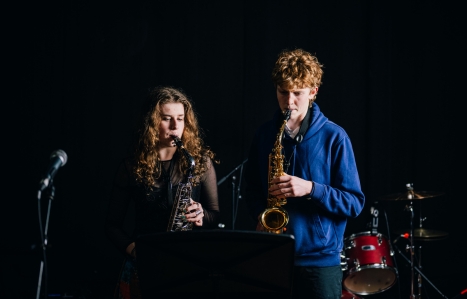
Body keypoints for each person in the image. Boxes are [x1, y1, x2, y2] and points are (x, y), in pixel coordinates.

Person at [244, 48, 365, 299]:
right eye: (282, 92)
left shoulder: (335, 137)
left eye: (297, 93)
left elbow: (354, 203)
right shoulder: (265, 135)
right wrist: (260, 214)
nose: (289, 102)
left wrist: (311, 189)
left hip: (319, 265)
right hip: (274, 257)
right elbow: (252, 189)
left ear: (313, 92)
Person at [105, 86, 220, 299]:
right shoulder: (131, 167)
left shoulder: (200, 162)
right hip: (144, 266)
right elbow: (111, 225)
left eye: (180, 118)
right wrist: (133, 250)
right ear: (151, 123)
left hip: (189, 265)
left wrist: (202, 214)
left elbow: (215, 214)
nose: (175, 126)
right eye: (167, 118)